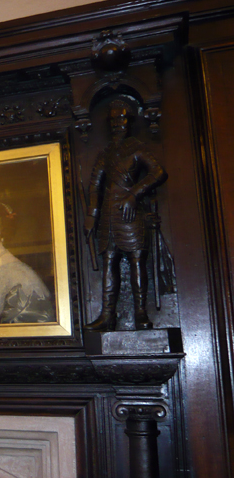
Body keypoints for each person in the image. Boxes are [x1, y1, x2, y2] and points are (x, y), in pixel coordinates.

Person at [84, 99, 168, 331]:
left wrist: (134, 193)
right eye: (113, 119)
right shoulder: (106, 152)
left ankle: (140, 313)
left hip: (131, 213)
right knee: (109, 261)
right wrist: (91, 215)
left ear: (129, 121)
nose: (117, 123)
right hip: (109, 215)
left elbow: (159, 173)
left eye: (121, 118)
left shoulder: (137, 148)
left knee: (136, 260)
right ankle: (107, 314)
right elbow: (95, 185)